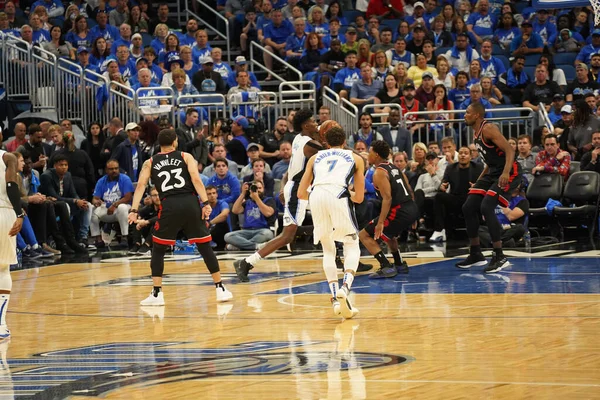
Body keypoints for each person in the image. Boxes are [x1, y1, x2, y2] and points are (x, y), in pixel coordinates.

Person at [128, 129, 233, 306]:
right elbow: (196, 179)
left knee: (159, 248)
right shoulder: (185, 156)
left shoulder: (150, 162)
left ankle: (157, 293)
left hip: (169, 205)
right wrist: (205, 203)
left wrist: (133, 209)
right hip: (190, 202)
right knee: (204, 246)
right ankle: (220, 288)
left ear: (159, 144)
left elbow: (140, 186)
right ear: (175, 142)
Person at [233, 109, 323, 282]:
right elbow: (333, 150)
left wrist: (283, 187)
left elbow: (288, 172)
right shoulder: (308, 144)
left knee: (326, 220)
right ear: (305, 125)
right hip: (299, 190)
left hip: (297, 188)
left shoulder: (298, 139)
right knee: (287, 235)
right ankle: (246, 263)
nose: (316, 123)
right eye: (313, 121)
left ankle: (338, 259)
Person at [297, 126, 365, 319]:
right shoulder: (356, 158)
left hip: (316, 195)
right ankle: (345, 287)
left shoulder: (314, 158)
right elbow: (359, 198)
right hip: (338, 194)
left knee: (328, 249)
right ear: (345, 142)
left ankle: (335, 298)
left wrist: (319, 196)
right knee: (352, 244)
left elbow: (301, 193)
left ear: (325, 142)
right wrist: (346, 193)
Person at [456, 102, 522, 273]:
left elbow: (509, 150)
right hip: (493, 171)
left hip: (510, 171)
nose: (465, 115)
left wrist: (506, 173)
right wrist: (478, 182)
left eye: (468, 112)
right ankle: (476, 253)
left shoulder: (488, 128)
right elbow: (489, 162)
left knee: (486, 206)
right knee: (468, 207)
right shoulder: (475, 133)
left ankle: (499, 255)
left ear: (477, 115)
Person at [359, 140, 418, 279]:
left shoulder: (379, 172)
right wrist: (413, 214)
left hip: (400, 210)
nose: (368, 154)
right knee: (388, 234)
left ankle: (386, 266)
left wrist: (380, 222)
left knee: (364, 235)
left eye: (371, 152)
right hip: (410, 207)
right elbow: (409, 189)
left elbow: (387, 198)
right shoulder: (394, 167)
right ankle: (399, 264)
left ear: (377, 155)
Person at [429, 146, 483, 242]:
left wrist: (477, 185)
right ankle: (439, 231)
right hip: (456, 198)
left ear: (470, 156)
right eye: (461, 153)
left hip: (472, 198)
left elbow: (485, 183)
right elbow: (444, 183)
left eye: (465, 153)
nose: (462, 155)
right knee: (439, 196)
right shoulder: (451, 168)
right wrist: (443, 186)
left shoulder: (478, 167)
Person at [0, 149, 24, 340]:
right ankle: (1, 325)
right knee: (2, 269)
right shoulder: (7, 157)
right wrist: (19, 213)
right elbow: (11, 185)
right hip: (3, 212)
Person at [90, 159, 134, 249]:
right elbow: (94, 198)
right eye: (111, 169)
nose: (114, 171)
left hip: (123, 208)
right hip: (107, 208)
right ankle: (98, 239)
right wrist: (96, 202)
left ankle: (124, 237)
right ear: (106, 170)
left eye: (116, 168)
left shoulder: (125, 179)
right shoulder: (101, 181)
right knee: (91, 208)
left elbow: (128, 197)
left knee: (122, 207)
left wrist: (114, 205)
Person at [225, 180, 276, 250]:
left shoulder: (269, 200)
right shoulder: (247, 202)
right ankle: (255, 246)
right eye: (255, 188)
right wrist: (243, 193)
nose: (257, 190)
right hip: (246, 231)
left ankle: (241, 246)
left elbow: (268, 213)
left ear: (263, 188)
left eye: (259, 188)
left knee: (267, 234)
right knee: (228, 236)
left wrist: (256, 198)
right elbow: (235, 210)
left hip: (263, 230)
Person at [478, 182, 529, 248]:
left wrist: (501, 201)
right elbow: (484, 217)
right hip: (494, 228)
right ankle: (501, 243)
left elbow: (511, 216)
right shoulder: (492, 199)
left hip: (508, 229)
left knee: (520, 228)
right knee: (477, 228)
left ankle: (494, 243)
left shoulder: (522, 201)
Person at [128, 186, 160, 255]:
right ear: (150, 197)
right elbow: (140, 212)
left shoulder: (166, 206)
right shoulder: (150, 207)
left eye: (159, 195)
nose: (157, 198)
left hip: (163, 233)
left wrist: (146, 222)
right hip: (149, 233)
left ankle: (147, 245)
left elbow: (162, 217)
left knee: (157, 222)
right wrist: (138, 217)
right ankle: (137, 244)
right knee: (134, 218)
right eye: (154, 195)